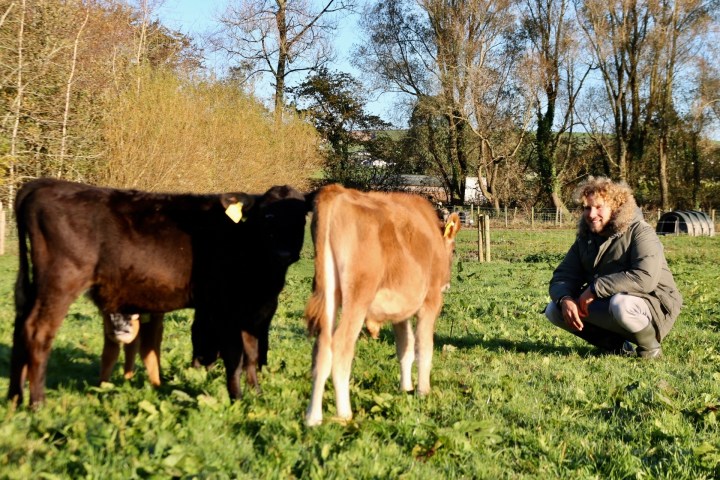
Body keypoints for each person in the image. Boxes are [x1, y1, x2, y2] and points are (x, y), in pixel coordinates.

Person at [545, 177, 683, 358]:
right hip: (609, 300)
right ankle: (616, 347)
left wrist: (595, 289)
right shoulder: (585, 238)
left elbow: (645, 278)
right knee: (554, 311)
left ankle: (650, 349)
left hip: (653, 303)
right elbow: (563, 275)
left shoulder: (640, 232)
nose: (592, 214)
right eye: (587, 208)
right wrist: (565, 299)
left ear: (616, 206)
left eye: (599, 207)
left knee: (621, 304)